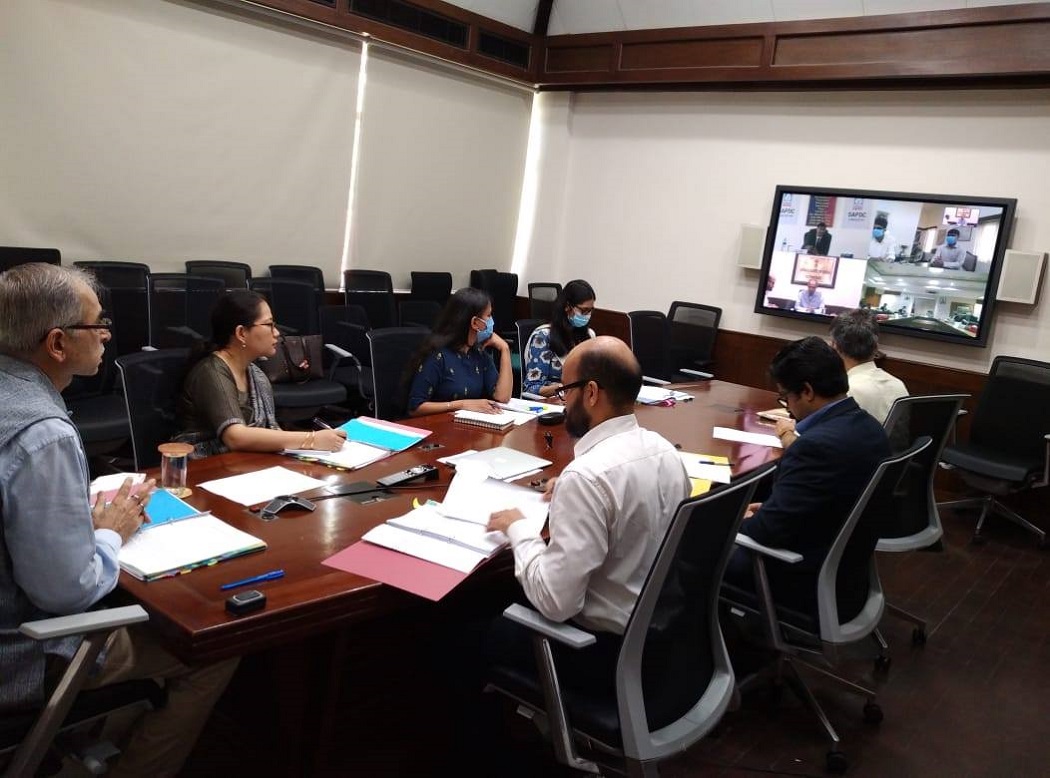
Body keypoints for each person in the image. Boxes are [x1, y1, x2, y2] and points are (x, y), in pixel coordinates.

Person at [0, 263, 237, 778]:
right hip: (23, 654)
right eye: (98, 323)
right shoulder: (43, 433)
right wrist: (111, 531)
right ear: (57, 343)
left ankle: (96, 741)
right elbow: (66, 591)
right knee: (215, 646)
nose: (108, 334)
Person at [487, 336, 690, 686]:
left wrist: (517, 527)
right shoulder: (665, 451)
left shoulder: (587, 477)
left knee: (468, 634)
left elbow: (555, 603)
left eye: (566, 390)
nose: (563, 402)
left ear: (591, 393)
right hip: (660, 638)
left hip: (603, 654)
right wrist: (573, 489)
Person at [724, 337, 890, 621]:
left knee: (690, 549)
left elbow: (766, 532)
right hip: (846, 576)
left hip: (799, 578)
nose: (787, 406)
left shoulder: (814, 447)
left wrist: (734, 520)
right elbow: (823, 500)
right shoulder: (871, 429)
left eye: (785, 396)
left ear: (808, 391)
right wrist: (771, 511)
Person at [176, 289, 347, 456]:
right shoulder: (211, 372)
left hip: (243, 460)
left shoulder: (255, 374)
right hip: (202, 463)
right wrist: (312, 439)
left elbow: (268, 431)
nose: (277, 333)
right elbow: (235, 437)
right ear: (241, 333)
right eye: (269, 325)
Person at [776, 310, 908, 449]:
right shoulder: (898, 385)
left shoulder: (844, 394)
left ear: (834, 346)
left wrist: (786, 432)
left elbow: (811, 448)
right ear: (876, 347)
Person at [406, 287, 513, 416]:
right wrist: (461, 405)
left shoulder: (478, 353)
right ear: (475, 323)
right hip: (437, 424)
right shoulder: (438, 355)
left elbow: (502, 397)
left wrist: (505, 349)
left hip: (468, 424)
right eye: (488, 316)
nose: (492, 322)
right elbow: (415, 408)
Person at [522, 279, 596, 398]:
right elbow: (531, 388)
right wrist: (563, 388)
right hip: (553, 401)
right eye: (583, 310)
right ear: (567, 307)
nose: (587, 315)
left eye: (590, 311)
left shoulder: (589, 336)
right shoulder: (543, 337)